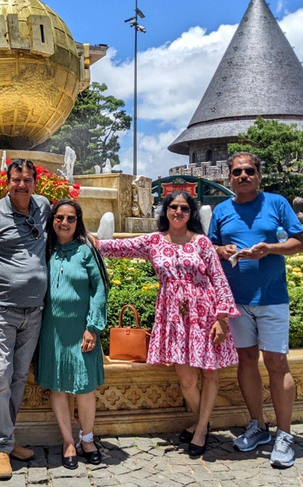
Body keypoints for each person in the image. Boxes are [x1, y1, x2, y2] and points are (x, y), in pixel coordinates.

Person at [98, 191, 239, 458]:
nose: (178, 212)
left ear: (191, 214)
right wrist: (89, 241)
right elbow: (117, 248)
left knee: (209, 373)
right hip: (174, 316)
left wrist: (222, 317)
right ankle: (203, 421)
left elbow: (219, 279)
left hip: (204, 312)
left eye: (184, 209)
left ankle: (199, 431)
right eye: (173, 207)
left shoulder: (202, 243)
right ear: (166, 210)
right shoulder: (154, 241)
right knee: (186, 380)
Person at [209, 152, 303, 469]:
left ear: (259, 175)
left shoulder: (276, 203)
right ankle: (257, 425)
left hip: (272, 297)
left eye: (249, 170)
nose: (243, 176)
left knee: (277, 362)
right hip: (235, 299)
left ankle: (285, 434)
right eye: (237, 172)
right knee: (246, 359)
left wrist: (270, 249)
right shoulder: (222, 210)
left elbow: (298, 242)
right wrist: (222, 250)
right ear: (229, 178)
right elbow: (209, 250)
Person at [0, 158, 51, 480]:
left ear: (35, 182)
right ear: (7, 182)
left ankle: (7, 437)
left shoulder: (44, 207)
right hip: (1, 309)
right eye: (16, 179)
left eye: (27, 179)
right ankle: (0, 447)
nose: (22, 185)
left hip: (35, 310)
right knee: (0, 376)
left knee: (18, 377)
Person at [34, 200, 106, 469]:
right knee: (58, 386)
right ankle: (67, 442)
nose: (64, 222)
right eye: (59, 217)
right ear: (52, 220)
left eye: (71, 218)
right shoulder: (44, 249)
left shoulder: (87, 251)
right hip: (50, 330)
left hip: (81, 331)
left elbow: (100, 290)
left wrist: (93, 327)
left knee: (85, 387)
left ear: (78, 221)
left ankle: (87, 439)